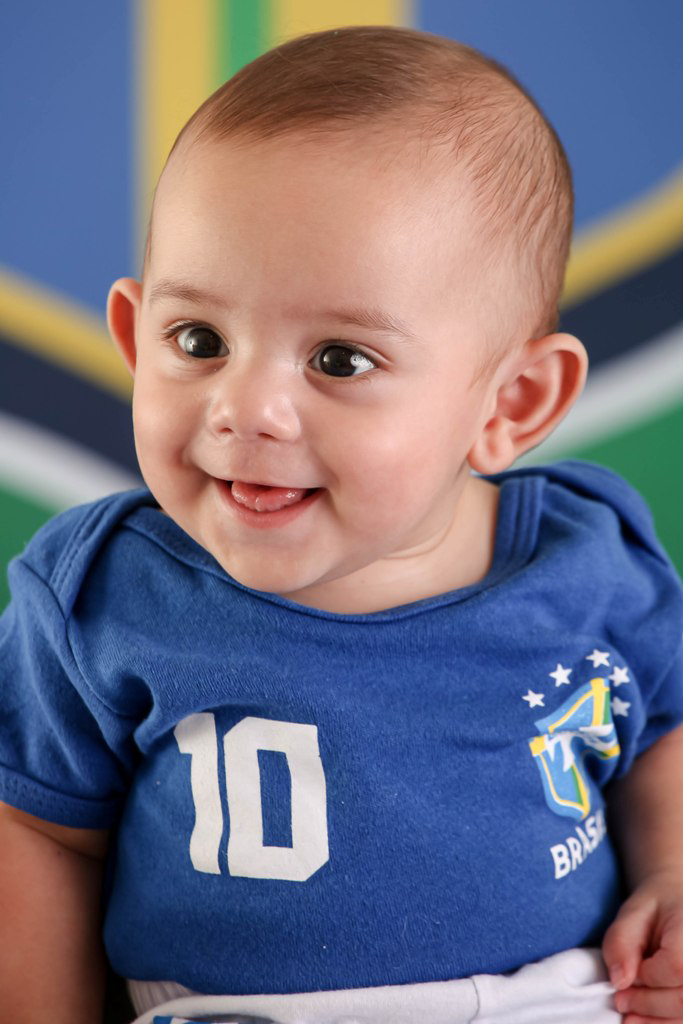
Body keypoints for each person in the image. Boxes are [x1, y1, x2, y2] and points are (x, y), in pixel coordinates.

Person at [1, 25, 682, 1024]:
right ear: (135, 341)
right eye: (199, 339)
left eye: (339, 361)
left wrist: (670, 871)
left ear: (510, 404)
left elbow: (657, 729)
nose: (246, 408)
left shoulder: (586, 565)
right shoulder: (101, 595)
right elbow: (37, 828)